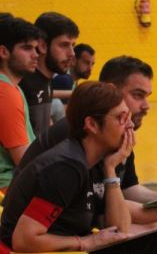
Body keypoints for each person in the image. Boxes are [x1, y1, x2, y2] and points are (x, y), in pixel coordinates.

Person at [0, 81, 157, 254]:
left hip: (65, 247)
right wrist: (87, 242)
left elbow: (120, 229)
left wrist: (110, 170)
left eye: (129, 117)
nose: (130, 125)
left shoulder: (98, 158)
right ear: (91, 124)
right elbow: (24, 241)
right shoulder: (66, 168)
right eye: (121, 118)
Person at [17, 56, 157, 227]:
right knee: (149, 230)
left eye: (147, 97)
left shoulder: (117, 130)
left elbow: (127, 188)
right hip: (42, 225)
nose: (146, 106)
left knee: (151, 227)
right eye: (138, 95)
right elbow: (106, 209)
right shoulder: (83, 133)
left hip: (71, 219)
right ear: (109, 91)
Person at [19, 12, 79, 136]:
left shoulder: (46, 81)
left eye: (73, 46)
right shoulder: (22, 83)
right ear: (42, 46)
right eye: (64, 45)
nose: (72, 53)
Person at [0, 16, 41, 192]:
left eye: (36, 48)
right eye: (27, 48)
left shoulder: (11, 87)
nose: (35, 55)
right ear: (4, 52)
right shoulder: (5, 93)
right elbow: (25, 160)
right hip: (9, 189)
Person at [51, 43, 96, 122]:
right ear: (73, 61)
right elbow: (63, 118)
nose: (90, 68)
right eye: (86, 63)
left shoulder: (72, 81)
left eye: (92, 64)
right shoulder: (64, 79)